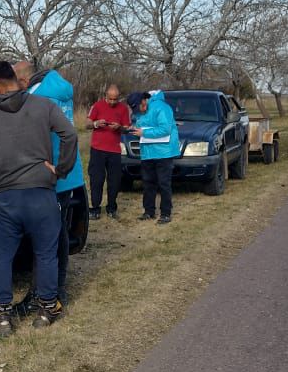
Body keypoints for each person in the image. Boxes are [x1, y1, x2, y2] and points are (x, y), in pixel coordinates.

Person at [0, 61, 78, 337]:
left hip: (6, 196)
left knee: (3, 256)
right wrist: (61, 169)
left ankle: (2, 316)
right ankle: (46, 309)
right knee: (46, 252)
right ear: (17, 79)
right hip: (40, 192)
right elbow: (70, 134)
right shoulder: (44, 106)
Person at [13, 60, 85, 312]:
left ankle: (43, 294)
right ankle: (58, 287)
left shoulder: (35, 96)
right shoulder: (60, 89)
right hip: (67, 174)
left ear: (23, 81)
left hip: (47, 174)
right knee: (59, 232)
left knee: (45, 239)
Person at [128, 89, 179, 224]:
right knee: (148, 182)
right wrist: (132, 128)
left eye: (141, 107)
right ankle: (148, 211)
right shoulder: (139, 112)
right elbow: (140, 125)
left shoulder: (162, 108)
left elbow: (165, 129)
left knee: (164, 183)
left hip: (164, 152)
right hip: (147, 152)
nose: (140, 111)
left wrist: (144, 133)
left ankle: (166, 213)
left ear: (143, 101)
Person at [86, 84, 131, 220]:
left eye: (115, 99)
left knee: (114, 181)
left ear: (119, 98)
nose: (112, 102)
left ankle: (111, 208)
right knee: (96, 179)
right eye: (110, 99)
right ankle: (95, 208)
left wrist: (119, 127)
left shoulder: (123, 108)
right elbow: (87, 123)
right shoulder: (97, 106)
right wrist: (96, 123)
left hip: (114, 151)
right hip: (97, 149)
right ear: (106, 96)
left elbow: (127, 127)